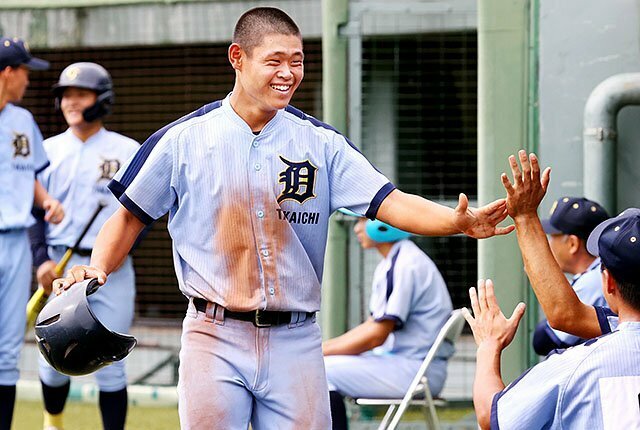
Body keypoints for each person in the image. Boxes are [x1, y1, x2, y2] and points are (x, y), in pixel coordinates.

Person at [52, 8, 513, 429]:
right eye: (274, 61)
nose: (288, 73)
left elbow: (388, 201)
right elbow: (128, 217)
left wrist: (457, 222)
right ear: (238, 57)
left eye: (298, 60)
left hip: (296, 339)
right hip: (212, 336)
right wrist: (99, 268)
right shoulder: (182, 140)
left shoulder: (322, 144)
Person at [463, 150, 640, 429]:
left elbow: (491, 415)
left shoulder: (575, 366)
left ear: (608, 282)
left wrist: (488, 347)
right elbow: (565, 315)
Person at [29, 62, 139, 430]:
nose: (71, 102)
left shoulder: (127, 150)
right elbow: (31, 211)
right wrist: (41, 259)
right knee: (53, 358)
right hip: (60, 268)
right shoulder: (46, 150)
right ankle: (52, 424)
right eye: (65, 95)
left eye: (81, 94)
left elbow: (144, 215)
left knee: (111, 363)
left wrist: (119, 254)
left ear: (101, 99)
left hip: (112, 270)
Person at [323, 211, 453, 430]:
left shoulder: (404, 263)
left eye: (362, 221)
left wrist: (318, 351)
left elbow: (376, 336)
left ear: (384, 224)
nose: (356, 228)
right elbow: (372, 327)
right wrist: (321, 349)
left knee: (321, 371)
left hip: (417, 371)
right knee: (322, 365)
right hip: (410, 365)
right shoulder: (397, 258)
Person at [0, 36, 64, 430]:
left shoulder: (22, 120)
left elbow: (28, 174)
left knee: (8, 349)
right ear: (8, 72)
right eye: (25, 71)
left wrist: (46, 201)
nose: (28, 79)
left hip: (16, 241)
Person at [532, 196, 609, 355]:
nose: (550, 243)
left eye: (554, 236)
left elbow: (544, 341)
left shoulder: (593, 280)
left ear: (572, 243)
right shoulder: (600, 271)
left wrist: (541, 277)